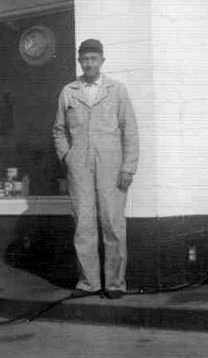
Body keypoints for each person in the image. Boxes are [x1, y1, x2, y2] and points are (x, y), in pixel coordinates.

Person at [53, 39, 139, 299]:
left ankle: (114, 284)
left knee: (113, 223)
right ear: (79, 61)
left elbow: (130, 130)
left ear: (102, 60)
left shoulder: (117, 90)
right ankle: (88, 283)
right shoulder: (69, 91)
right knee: (84, 225)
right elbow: (59, 130)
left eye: (94, 58)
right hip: (80, 166)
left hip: (111, 166)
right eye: (85, 59)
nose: (89, 63)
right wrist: (67, 156)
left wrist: (128, 167)